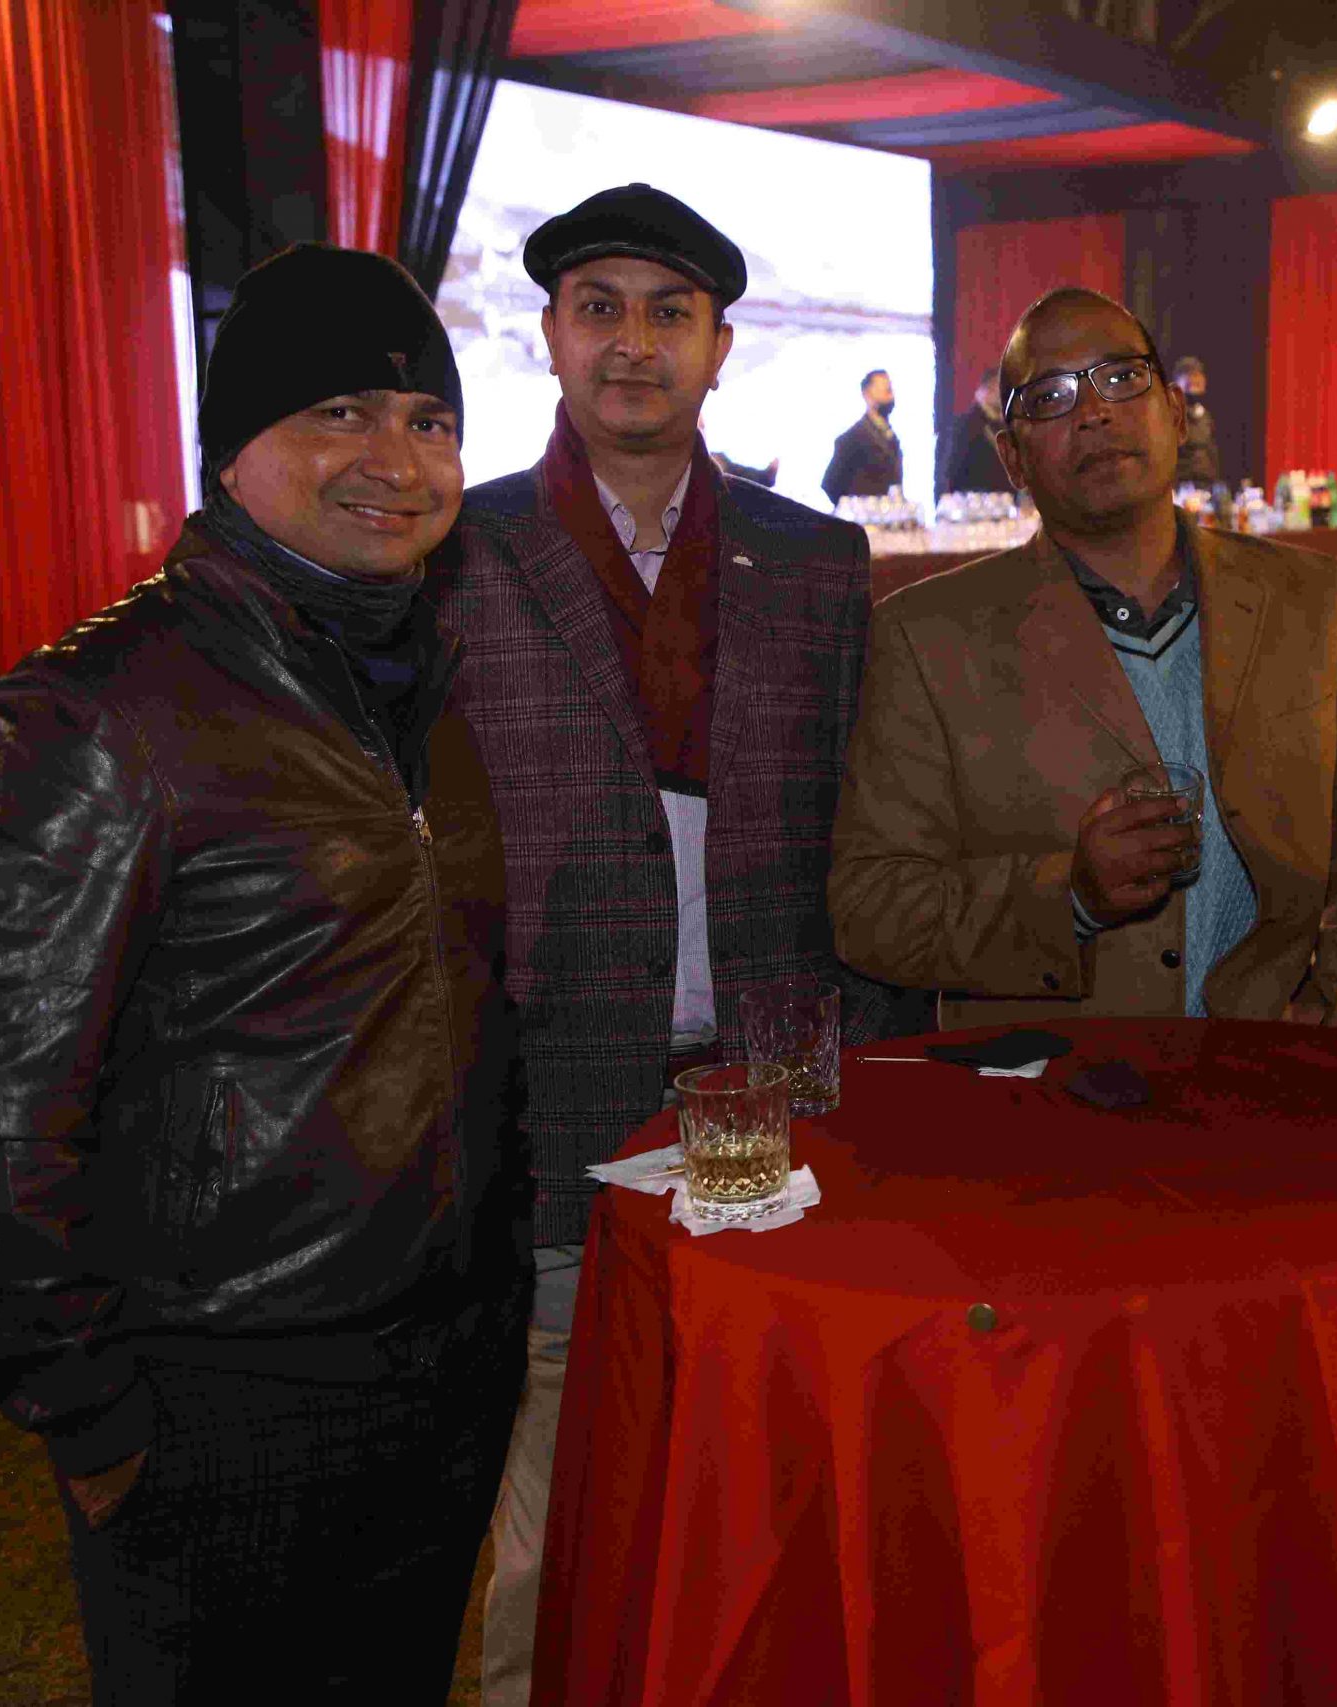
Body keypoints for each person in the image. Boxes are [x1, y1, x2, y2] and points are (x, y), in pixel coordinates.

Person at [0, 243, 527, 1702]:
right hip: (216, 1392)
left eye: (428, 420)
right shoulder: (84, 716)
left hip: (444, 1357)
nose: (396, 460)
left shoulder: (423, 691)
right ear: (232, 448)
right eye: (340, 412)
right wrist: (89, 1410)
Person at [435, 184, 923, 1706]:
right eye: (600, 308)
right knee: (553, 1511)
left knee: (783, 1478)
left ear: (721, 348)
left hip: (775, 1094)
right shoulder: (457, 551)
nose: (632, 343)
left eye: (669, 313)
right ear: (548, 336)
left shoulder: (815, 559)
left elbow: (860, 825)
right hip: (551, 1091)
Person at [830, 287, 1337, 1027]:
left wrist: (1334, 1005)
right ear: (1012, 458)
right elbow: (871, 906)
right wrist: (1070, 897)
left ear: (1174, 412)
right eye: (1050, 397)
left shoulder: (1312, 600)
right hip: (1046, 1082)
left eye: (1120, 377)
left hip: (1276, 1064)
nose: (1093, 412)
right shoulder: (926, 636)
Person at [821, 367, 902, 503]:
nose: (890, 394)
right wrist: (853, 511)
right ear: (866, 394)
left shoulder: (892, 439)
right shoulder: (851, 439)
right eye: (883, 389)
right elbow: (830, 484)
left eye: (890, 389)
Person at [937, 365, 1014, 495]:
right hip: (975, 501)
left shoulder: (1004, 423)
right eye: (1001, 388)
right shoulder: (966, 425)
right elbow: (952, 473)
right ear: (988, 388)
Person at [1170, 354, 1221, 487]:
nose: (1195, 380)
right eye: (1189, 376)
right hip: (1181, 487)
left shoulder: (1206, 416)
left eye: (1198, 376)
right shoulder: (1171, 416)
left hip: (1206, 485)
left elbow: (1213, 453)